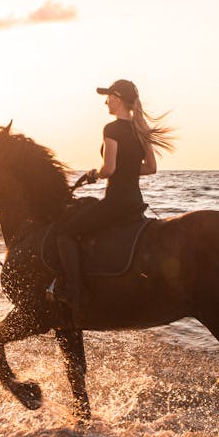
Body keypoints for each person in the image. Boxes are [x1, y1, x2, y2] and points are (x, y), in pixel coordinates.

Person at [52, 79, 175, 322]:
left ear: (117, 99)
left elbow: (109, 168)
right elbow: (151, 168)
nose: (106, 102)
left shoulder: (112, 129)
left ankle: (74, 292)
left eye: (108, 97)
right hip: (135, 201)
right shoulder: (142, 131)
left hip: (116, 202)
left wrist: (93, 174)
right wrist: (127, 169)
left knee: (65, 233)